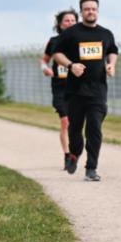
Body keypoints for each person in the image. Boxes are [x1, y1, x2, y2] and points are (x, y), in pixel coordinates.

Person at [52, 0, 118, 182]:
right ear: (82, 12)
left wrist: (111, 64)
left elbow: (113, 50)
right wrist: (71, 65)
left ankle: (91, 168)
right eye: (87, 9)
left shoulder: (105, 34)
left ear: (98, 11)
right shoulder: (72, 33)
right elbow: (57, 53)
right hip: (75, 92)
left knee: (94, 129)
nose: (91, 11)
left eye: (94, 9)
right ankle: (74, 154)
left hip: (97, 91)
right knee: (75, 130)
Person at [43, 9, 78, 169]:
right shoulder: (54, 41)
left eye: (73, 20)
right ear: (60, 24)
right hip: (60, 89)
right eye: (67, 20)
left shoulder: (80, 40)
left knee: (76, 124)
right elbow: (44, 60)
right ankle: (67, 155)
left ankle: (75, 151)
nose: (70, 23)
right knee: (65, 121)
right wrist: (45, 68)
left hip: (77, 88)